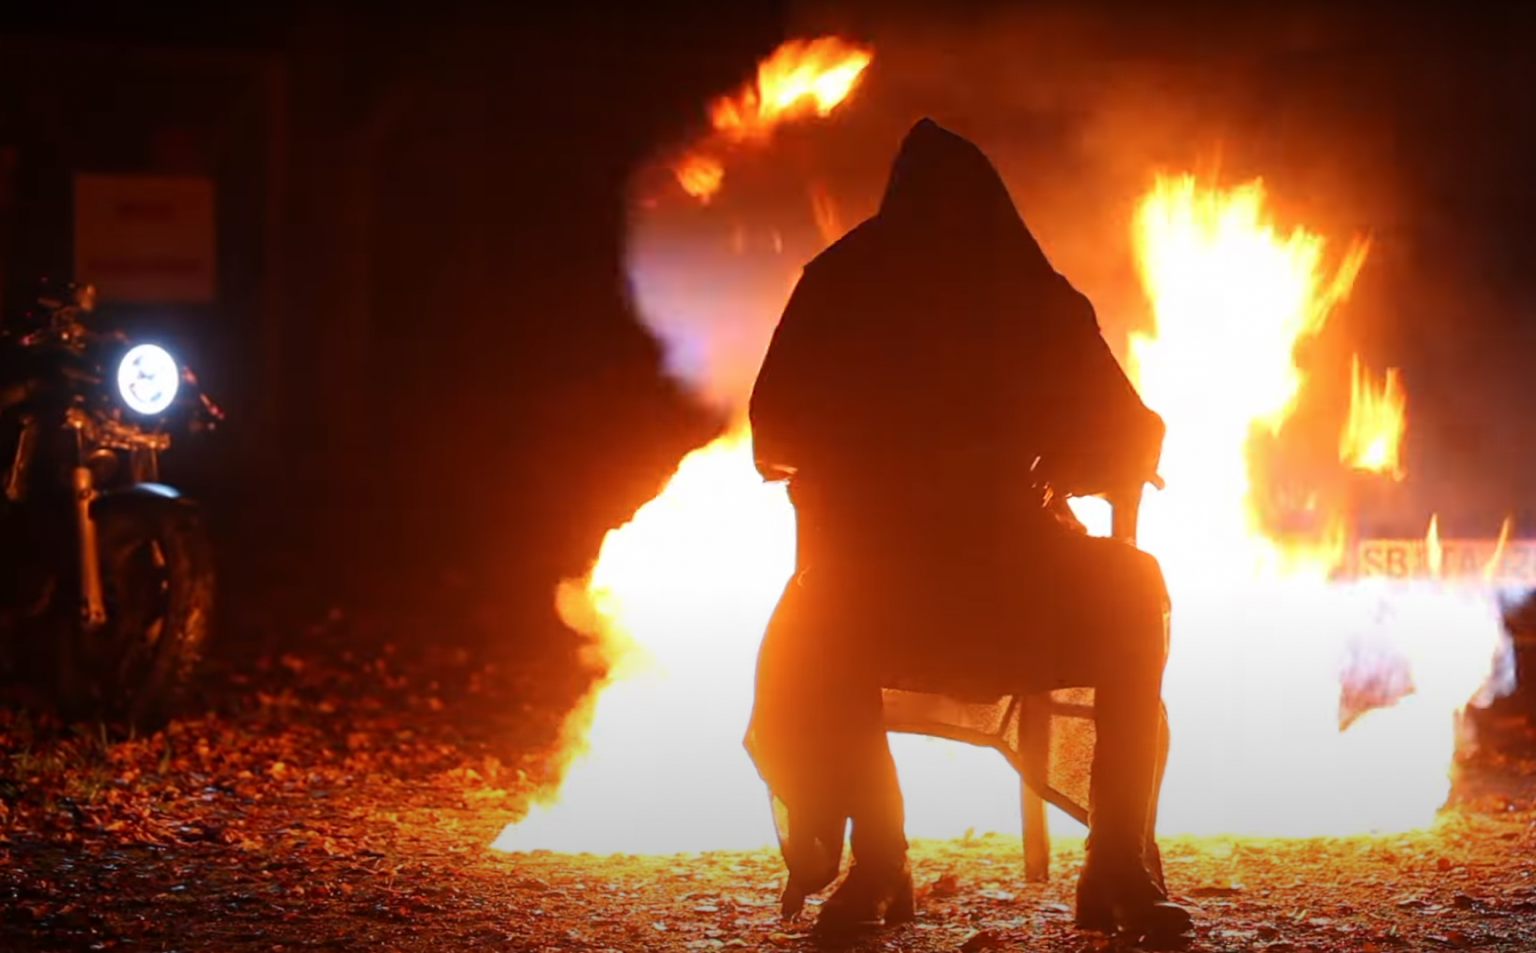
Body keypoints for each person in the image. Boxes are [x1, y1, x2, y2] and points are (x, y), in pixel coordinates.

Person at [744, 118, 1191, 939]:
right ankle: (880, 862)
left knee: (1133, 590)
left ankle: (1115, 861)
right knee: (827, 611)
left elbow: (1124, 429)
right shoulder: (846, 286)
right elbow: (776, 428)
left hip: (1016, 568)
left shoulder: (1028, 293)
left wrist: (1075, 453)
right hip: (882, 570)